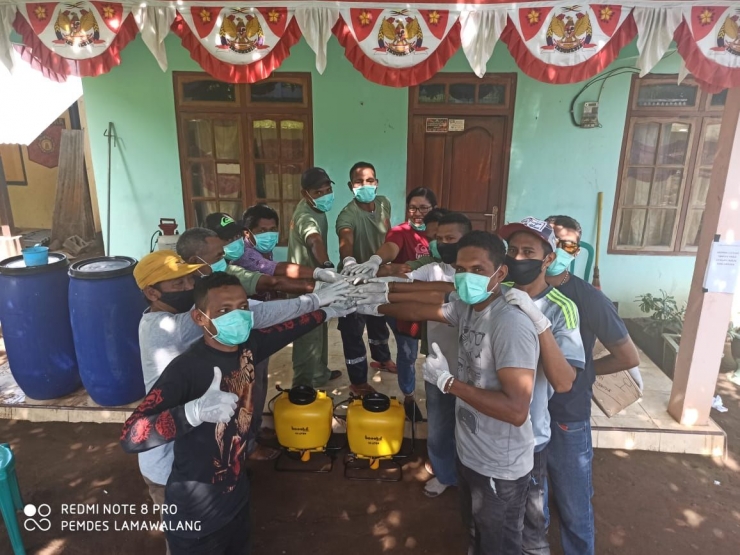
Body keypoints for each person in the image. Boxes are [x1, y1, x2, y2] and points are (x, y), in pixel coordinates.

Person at [121, 272, 354, 554]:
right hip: (195, 511)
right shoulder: (187, 368)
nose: (238, 316)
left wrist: (331, 309)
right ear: (200, 319)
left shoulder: (248, 347)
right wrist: (192, 413)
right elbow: (131, 436)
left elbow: (290, 329)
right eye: (224, 310)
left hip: (235, 497)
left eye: (243, 307)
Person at [355, 231, 540, 554]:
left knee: (499, 542)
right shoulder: (468, 307)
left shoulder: (509, 323)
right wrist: (369, 305)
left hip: (500, 464)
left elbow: (516, 410)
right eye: (461, 269)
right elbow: (421, 311)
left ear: (501, 273)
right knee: (476, 530)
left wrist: (448, 383)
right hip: (471, 454)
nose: (467, 276)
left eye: (478, 269)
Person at [542, 215, 640, 555]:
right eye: (553, 241)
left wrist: (586, 372)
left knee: (573, 498)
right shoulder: (520, 290)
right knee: (532, 495)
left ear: (577, 251)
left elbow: (628, 357)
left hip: (567, 412)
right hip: (525, 409)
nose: (560, 249)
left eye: (569, 244)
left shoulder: (588, 299)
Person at [496, 217, 585, 555]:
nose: (518, 258)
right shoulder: (497, 295)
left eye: (528, 251)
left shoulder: (563, 308)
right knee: (489, 516)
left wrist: (539, 323)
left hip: (528, 438)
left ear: (548, 259)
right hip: (487, 430)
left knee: (531, 526)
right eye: (513, 250)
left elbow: (564, 382)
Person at [344, 187, 438, 417]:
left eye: (424, 208)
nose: (418, 213)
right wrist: (377, 260)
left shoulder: (440, 231)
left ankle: (439, 397)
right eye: (413, 207)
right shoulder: (401, 232)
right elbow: (391, 247)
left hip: (435, 302)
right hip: (405, 303)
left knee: (437, 352)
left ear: (433, 209)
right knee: (408, 351)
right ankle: (408, 396)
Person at [336, 162, 395, 396]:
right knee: (353, 329)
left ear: (376, 183)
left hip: (379, 274)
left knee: (379, 320)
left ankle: (382, 359)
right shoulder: (347, 214)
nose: (365, 186)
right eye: (359, 182)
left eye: (370, 181)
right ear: (351, 186)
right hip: (354, 280)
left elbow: (387, 232)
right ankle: (358, 381)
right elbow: (345, 239)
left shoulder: (383, 203)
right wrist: (349, 261)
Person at [287, 167, 341, 388]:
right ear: (305, 193)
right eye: (318, 192)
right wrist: (327, 265)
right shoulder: (305, 216)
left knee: (320, 327)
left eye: (327, 190)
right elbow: (314, 240)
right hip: (304, 284)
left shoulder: (317, 209)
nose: (325, 195)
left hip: (317, 282)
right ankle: (302, 385)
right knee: (306, 336)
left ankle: (319, 373)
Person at [176, 228, 323, 298]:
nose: (223, 258)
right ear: (194, 261)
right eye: (218, 256)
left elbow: (273, 281)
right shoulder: (175, 289)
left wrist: (320, 285)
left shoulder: (228, 273)